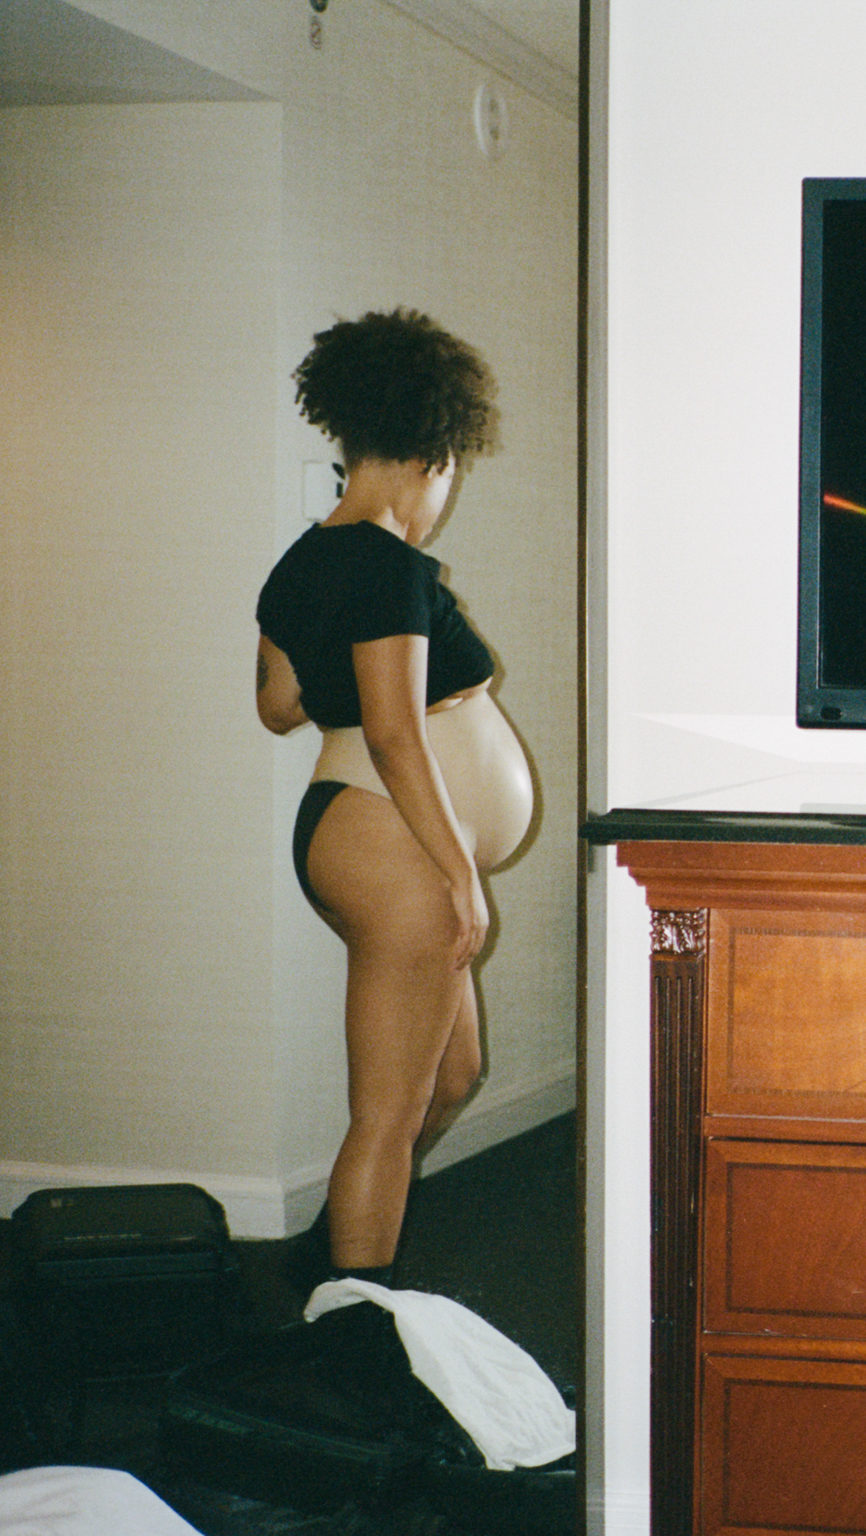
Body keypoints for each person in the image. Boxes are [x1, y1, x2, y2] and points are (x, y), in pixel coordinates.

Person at [254, 308, 534, 1286]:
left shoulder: (303, 562)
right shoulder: (386, 567)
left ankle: (335, 1250)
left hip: (345, 824)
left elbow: (277, 705)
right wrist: (464, 878)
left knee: (449, 1078)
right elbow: (393, 731)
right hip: (389, 842)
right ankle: (352, 1341)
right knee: (387, 1115)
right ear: (432, 455)